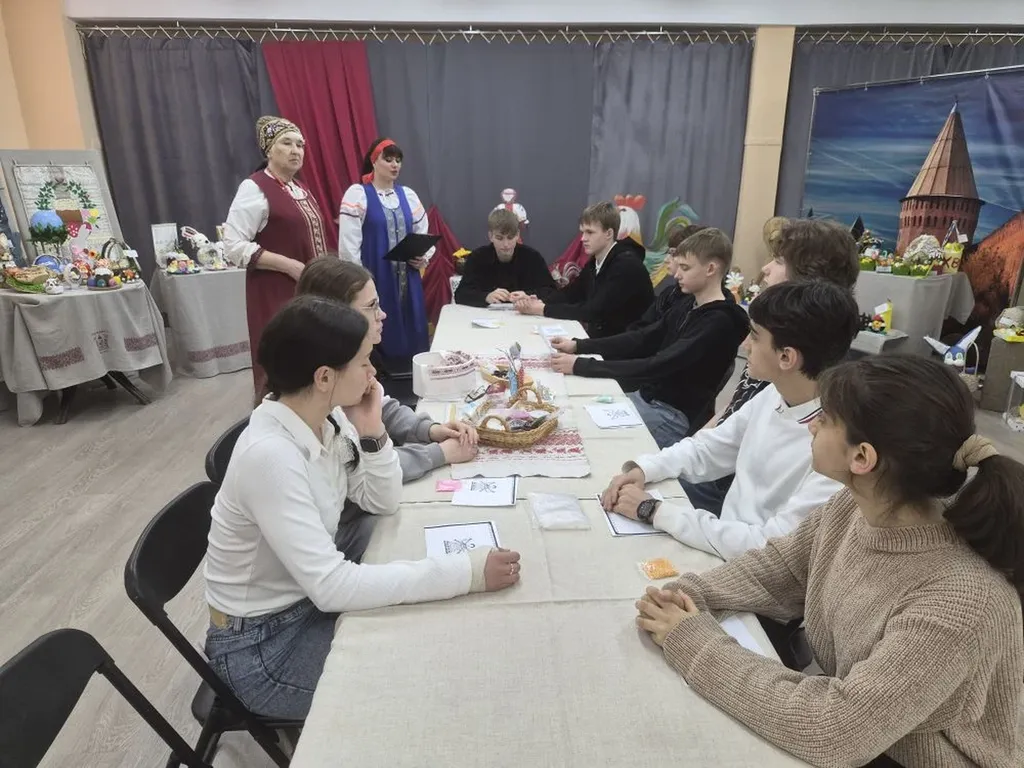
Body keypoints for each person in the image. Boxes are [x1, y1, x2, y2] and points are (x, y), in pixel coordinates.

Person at [635, 356, 1024, 768]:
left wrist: (694, 642)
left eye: (825, 418)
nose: (811, 426)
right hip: (864, 730)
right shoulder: (852, 508)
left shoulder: (960, 602)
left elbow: (834, 730)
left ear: (862, 458)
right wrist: (690, 594)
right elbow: (779, 569)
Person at [204, 296, 521, 719]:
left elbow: (382, 500)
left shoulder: (329, 419)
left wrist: (373, 432)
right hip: (263, 646)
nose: (373, 373)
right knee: (428, 675)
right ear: (323, 377)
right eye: (364, 362)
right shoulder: (271, 457)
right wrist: (467, 573)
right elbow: (332, 587)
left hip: (302, 601)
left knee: (432, 620)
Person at [601, 280, 860, 559]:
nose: (745, 344)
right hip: (722, 542)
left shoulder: (837, 445)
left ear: (786, 357)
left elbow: (771, 547)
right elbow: (710, 448)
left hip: (751, 570)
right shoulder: (774, 393)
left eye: (755, 336)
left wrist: (653, 510)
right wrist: (645, 469)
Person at [683, 217, 861, 517]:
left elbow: (774, 530)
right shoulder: (774, 365)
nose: (765, 269)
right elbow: (731, 419)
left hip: (731, 492)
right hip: (729, 474)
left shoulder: (799, 374)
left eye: (778, 261)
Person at [549, 228, 748, 448]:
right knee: (570, 413)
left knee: (582, 434)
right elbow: (642, 338)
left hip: (671, 416)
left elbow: (659, 364)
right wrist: (579, 346)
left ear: (710, 269)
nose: (677, 274)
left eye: (685, 268)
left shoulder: (718, 322)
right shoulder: (687, 304)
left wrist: (582, 365)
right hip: (648, 398)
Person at [297, 257, 478, 480]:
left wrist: (430, 430)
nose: (382, 314)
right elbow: (358, 469)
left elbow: (382, 406)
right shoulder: (329, 384)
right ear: (338, 313)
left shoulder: (344, 361)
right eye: (372, 306)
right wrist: (438, 453)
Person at [223, 115, 329, 395]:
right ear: (269, 150)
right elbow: (232, 244)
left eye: (300, 145)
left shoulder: (300, 188)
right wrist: (288, 265)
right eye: (286, 143)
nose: (296, 150)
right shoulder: (255, 188)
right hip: (276, 292)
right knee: (286, 361)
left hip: (309, 292)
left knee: (314, 359)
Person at [338, 138, 430, 359]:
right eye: (388, 159)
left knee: (414, 330)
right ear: (374, 162)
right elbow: (349, 245)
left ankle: (415, 374)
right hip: (375, 278)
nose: (394, 165)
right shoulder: (359, 194)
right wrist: (359, 282)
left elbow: (422, 232)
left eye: (398, 160)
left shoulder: (407, 195)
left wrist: (422, 256)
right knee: (380, 330)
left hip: (409, 279)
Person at [513, 202, 653, 339]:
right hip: (606, 340)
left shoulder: (626, 266)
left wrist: (543, 309)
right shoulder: (595, 261)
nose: (583, 239)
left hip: (630, 345)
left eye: (590, 232)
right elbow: (571, 293)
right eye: (582, 232)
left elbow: (594, 311)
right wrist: (538, 300)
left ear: (609, 233)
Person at [454, 208, 556, 307]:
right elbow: (461, 294)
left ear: (517, 235)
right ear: (490, 236)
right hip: (486, 316)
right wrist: (486, 297)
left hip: (525, 314)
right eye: (499, 238)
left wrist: (528, 295)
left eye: (510, 238)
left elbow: (552, 291)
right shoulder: (477, 257)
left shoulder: (532, 257)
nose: (506, 244)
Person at [628, 224, 707, 330]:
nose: (666, 260)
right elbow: (643, 327)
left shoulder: (701, 305)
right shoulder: (669, 293)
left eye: (673, 253)